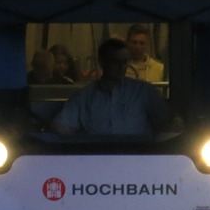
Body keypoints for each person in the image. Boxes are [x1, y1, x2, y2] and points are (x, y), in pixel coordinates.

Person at [52, 38, 181, 136]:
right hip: (97, 160)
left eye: (125, 62)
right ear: (102, 62)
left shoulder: (144, 92)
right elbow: (61, 126)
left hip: (138, 159)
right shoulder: (84, 97)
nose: (122, 66)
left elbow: (171, 121)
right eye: (115, 61)